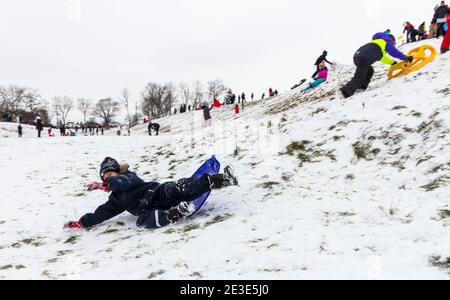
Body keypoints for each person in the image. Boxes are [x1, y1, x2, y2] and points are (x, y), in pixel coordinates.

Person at [64, 157, 239, 230]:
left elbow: (121, 182)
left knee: (177, 187)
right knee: (141, 222)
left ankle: (222, 179)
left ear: (118, 172)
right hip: (147, 210)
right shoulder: (115, 200)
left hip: (157, 193)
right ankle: (175, 213)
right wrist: (82, 222)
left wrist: (106, 184)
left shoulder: (128, 177)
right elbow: (101, 213)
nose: (109, 178)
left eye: (111, 174)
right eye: (106, 176)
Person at [340, 32, 413, 99]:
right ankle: (345, 91)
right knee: (359, 76)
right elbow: (394, 52)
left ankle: (362, 87)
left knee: (369, 71)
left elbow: (383, 58)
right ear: (391, 39)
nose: (393, 44)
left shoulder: (376, 44)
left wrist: (393, 62)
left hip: (357, 57)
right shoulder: (385, 42)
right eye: (393, 42)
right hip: (365, 58)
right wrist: (405, 58)